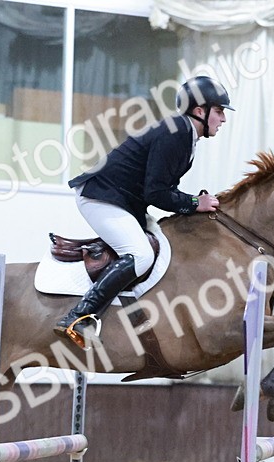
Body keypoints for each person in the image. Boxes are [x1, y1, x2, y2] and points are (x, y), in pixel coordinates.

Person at [54, 76, 232, 346]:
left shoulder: (184, 134)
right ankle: (79, 317)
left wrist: (194, 202)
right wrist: (196, 203)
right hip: (101, 197)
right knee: (141, 254)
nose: (223, 119)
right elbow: (157, 193)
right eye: (219, 112)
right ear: (200, 111)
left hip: (124, 201)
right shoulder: (177, 133)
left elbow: (160, 189)